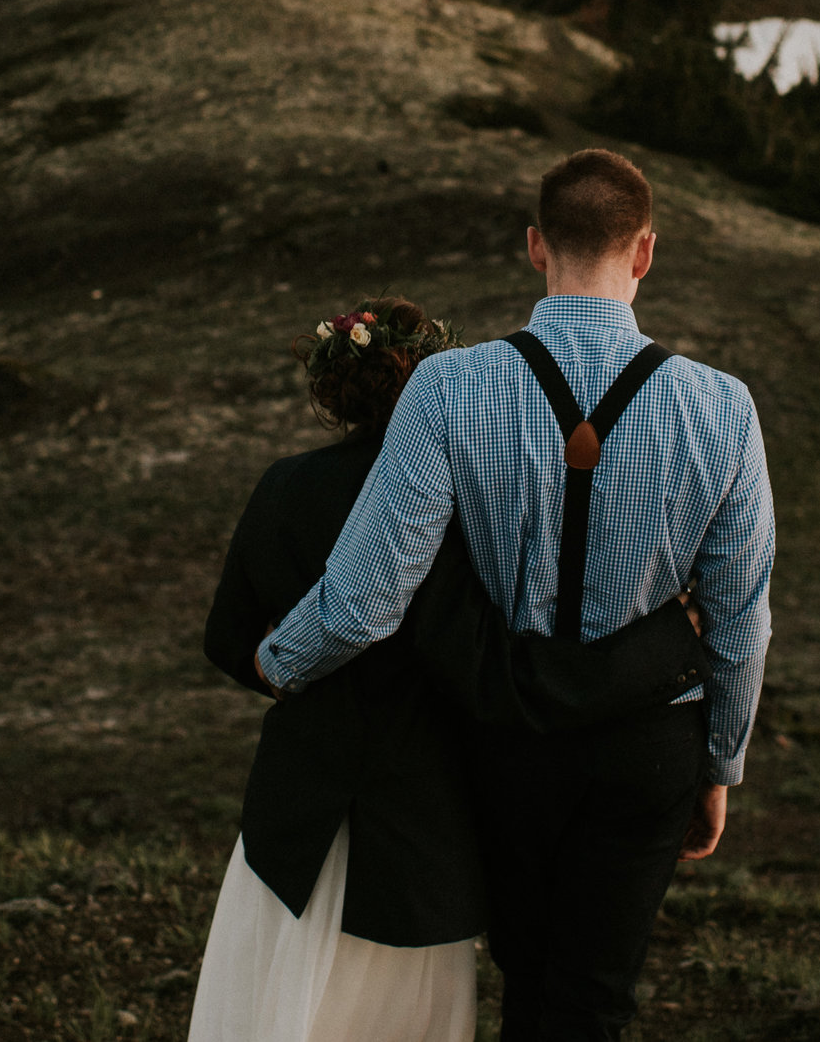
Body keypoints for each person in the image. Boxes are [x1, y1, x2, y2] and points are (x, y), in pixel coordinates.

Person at [259, 150, 775, 1040]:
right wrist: (719, 764)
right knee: (591, 1000)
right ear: (645, 252)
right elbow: (739, 619)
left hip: (507, 742)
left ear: (536, 246)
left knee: (526, 974)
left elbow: (366, 599)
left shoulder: (449, 388)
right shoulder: (724, 408)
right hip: (652, 745)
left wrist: (275, 660)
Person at [193, 296, 709, 1042]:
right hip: (412, 830)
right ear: (430, 382)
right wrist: (663, 648)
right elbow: (496, 672)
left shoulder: (282, 484)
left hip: (291, 818)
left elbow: (223, 640)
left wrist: (282, 669)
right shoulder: (443, 500)